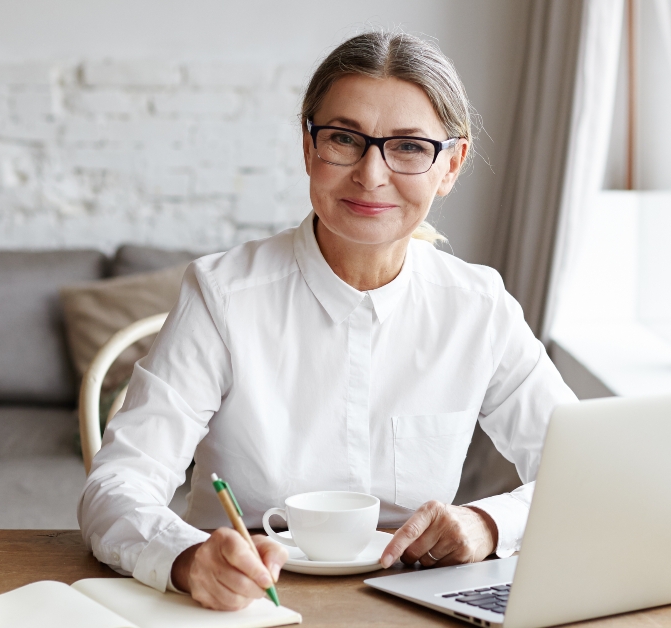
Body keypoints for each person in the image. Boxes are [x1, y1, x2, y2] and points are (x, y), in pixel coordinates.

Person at [78, 31, 575, 612]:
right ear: (309, 148)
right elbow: (116, 485)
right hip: (249, 604)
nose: (371, 174)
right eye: (344, 139)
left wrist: (489, 525)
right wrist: (188, 560)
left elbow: (586, 471)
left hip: (414, 606)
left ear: (451, 165)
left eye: (410, 147)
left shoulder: (478, 305)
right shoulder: (221, 295)